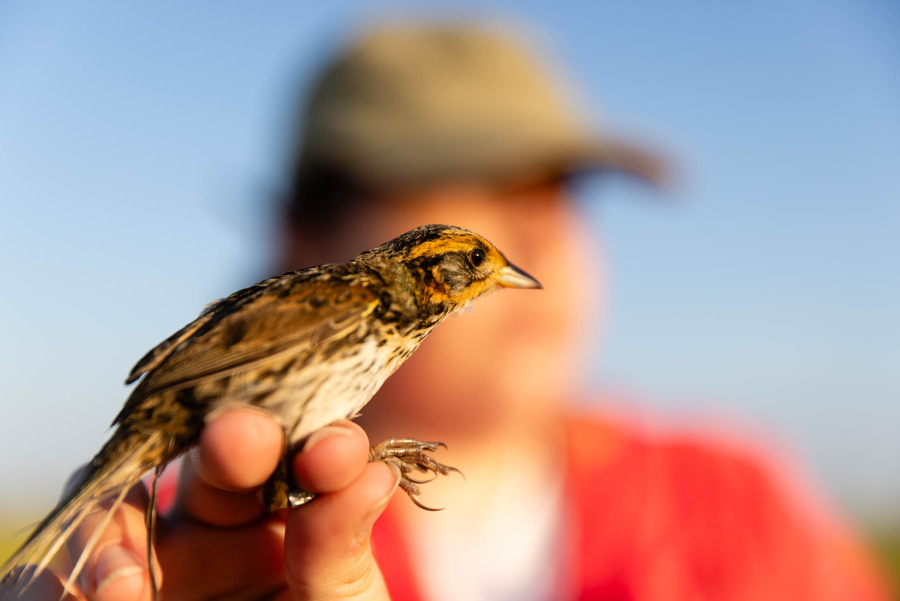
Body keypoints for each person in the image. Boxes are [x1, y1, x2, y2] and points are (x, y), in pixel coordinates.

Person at [2, 23, 890, 601]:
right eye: (477, 176)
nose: (539, 226)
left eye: (563, 188)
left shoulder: (736, 511)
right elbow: (207, 383)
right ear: (302, 231)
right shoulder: (196, 548)